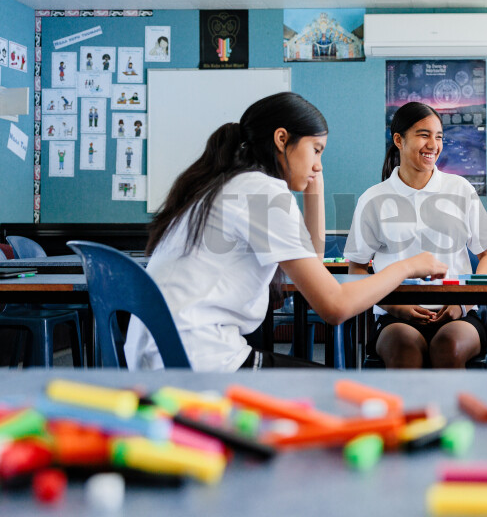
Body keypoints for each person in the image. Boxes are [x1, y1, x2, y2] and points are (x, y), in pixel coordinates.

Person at [123, 92, 447, 371]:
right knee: (339, 395)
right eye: (316, 150)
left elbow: (313, 264)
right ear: (282, 140)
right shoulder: (263, 193)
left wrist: (313, 188)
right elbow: (334, 307)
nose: (319, 163)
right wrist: (409, 266)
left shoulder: (230, 185)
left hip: (161, 355)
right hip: (199, 361)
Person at [345, 101, 487, 368]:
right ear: (399, 140)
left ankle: (448, 412)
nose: (433, 144)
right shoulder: (374, 198)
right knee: (405, 351)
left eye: (439, 137)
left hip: (458, 314)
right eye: (423, 135)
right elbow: (356, 268)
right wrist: (395, 308)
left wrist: (461, 305)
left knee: (447, 347)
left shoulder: (459, 189)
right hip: (395, 316)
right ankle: (411, 412)